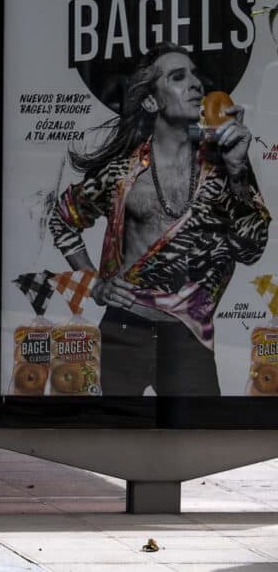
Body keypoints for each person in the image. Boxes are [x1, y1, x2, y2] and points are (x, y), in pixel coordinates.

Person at [49, 46, 269, 395]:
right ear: (151, 102)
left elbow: (252, 248)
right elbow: (62, 219)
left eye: (196, 75)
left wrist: (238, 167)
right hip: (125, 331)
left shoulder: (225, 164)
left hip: (189, 337)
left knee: (200, 443)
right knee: (118, 440)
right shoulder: (123, 174)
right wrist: (94, 284)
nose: (196, 84)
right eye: (178, 77)